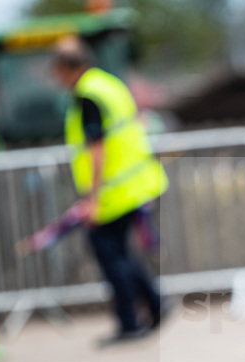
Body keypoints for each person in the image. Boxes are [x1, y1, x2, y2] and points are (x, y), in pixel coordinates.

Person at [51, 36, 170, 346]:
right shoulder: (108, 83)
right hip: (135, 181)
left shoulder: (87, 94)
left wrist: (91, 199)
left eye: (55, 68)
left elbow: (97, 148)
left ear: (65, 67)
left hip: (114, 190)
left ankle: (131, 321)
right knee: (119, 254)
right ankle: (155, 304)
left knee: (110, 254)